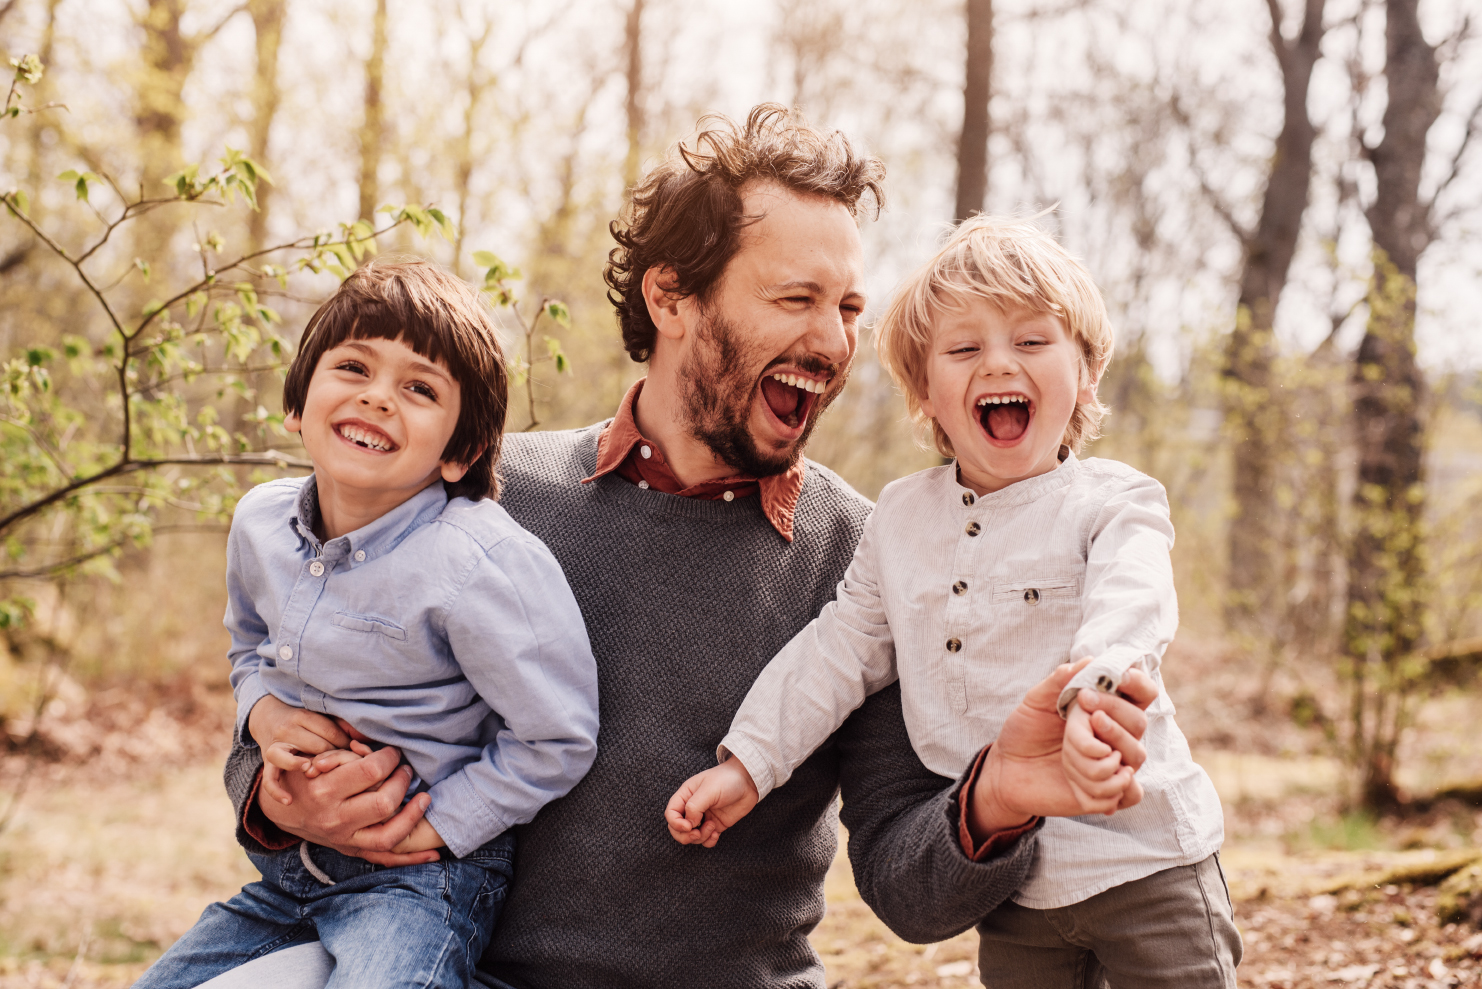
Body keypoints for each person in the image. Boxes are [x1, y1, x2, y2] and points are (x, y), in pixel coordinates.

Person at [213, 107, 1158, 989]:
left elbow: (908, 894)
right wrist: (276, 792)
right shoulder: (491, 501)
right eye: (797, 297)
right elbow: (307, 684)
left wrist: (999, 797)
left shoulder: (863, 552)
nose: (832, 341)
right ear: (671, 296)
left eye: (848, 308)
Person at [667, 215, 1240, 987]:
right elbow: (837, 650)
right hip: (1015, 885)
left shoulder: (1113, 502)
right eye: (965, 349)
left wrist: (1096, 690)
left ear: (1086, 374)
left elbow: (1131, 608)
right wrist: (750, 763)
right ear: (926, 395)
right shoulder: (900, 520)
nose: (999, 362)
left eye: (1032, 342)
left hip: (1146, 860)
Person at [138, 259, 599, 989]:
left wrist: (437, 825)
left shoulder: (480, 564)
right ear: (298, 401)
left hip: (418, 879)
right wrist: (262, 712)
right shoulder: (260, 521)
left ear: (460, 451)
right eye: (353, 365)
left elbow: (558, 733)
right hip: (289, 872)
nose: (378, 396)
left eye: (419, 387)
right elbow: (249, 644)